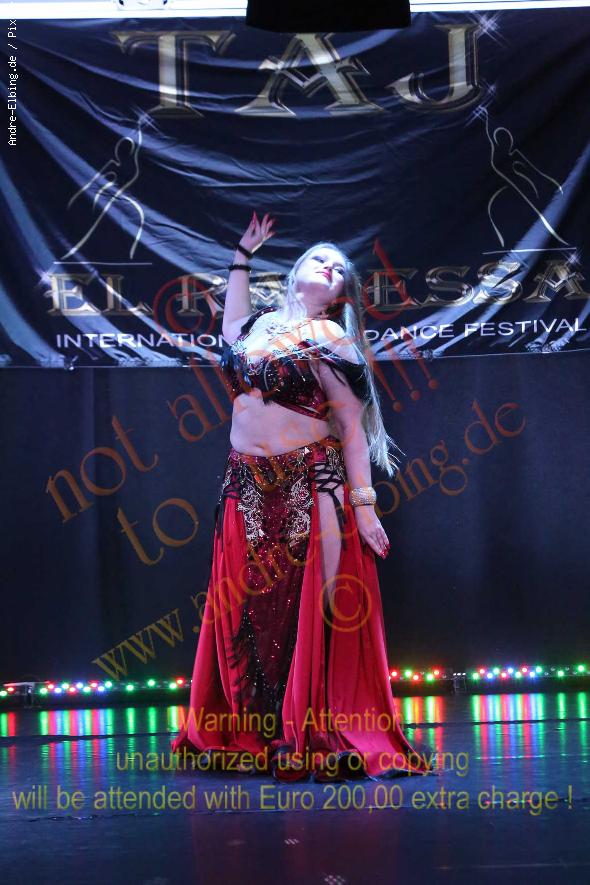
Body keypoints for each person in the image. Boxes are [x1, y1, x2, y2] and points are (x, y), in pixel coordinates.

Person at [171, 211, 439, 782]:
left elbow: (352, 429)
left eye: (338, 269)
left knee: (309, 608)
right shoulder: (257, 328)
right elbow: (231, 323)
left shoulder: (332, 338)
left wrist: (363, 505)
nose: (328, 268)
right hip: (244, 483)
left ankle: (307, 728)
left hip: (310, 481)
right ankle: (257, 729)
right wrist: (242, 257)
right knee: (247, 609)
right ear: (295, 273)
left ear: (340, 295)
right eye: (319, 259)